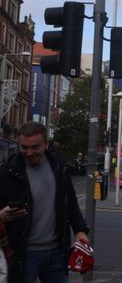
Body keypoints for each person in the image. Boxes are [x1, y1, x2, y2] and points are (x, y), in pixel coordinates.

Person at [0, 121, 90, 283]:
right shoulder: (6, 172)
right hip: (22, 254)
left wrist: (80, 230)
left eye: (35, 147)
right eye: (24, 147)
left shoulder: (59, 167)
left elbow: (70, 200)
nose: (29, 152)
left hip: (56, 252)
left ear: (46, 144)